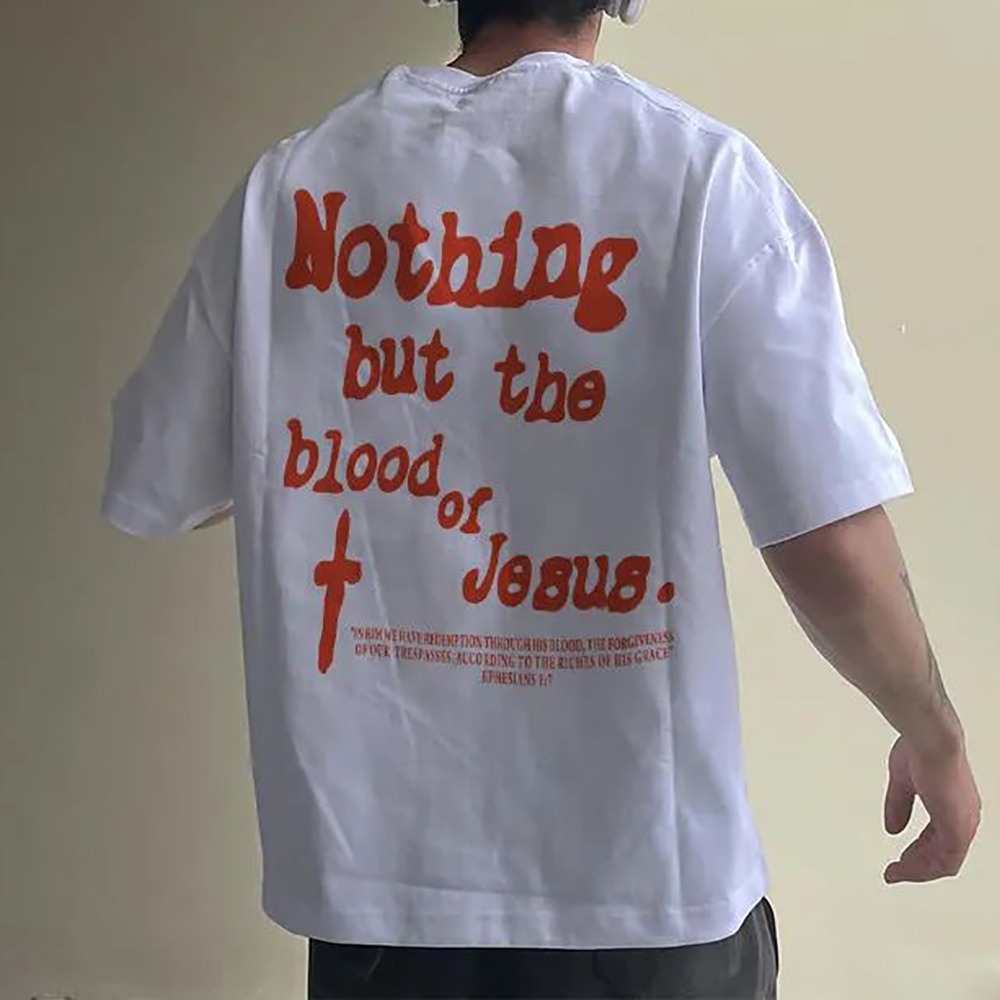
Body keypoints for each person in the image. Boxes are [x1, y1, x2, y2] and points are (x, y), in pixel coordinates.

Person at [101, 0, 982, 996]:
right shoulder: (699, 178)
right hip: (644, 904)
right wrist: (935, 732)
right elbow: (826, 535)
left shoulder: (292, 187)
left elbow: (160, 480)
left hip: (382, 907)